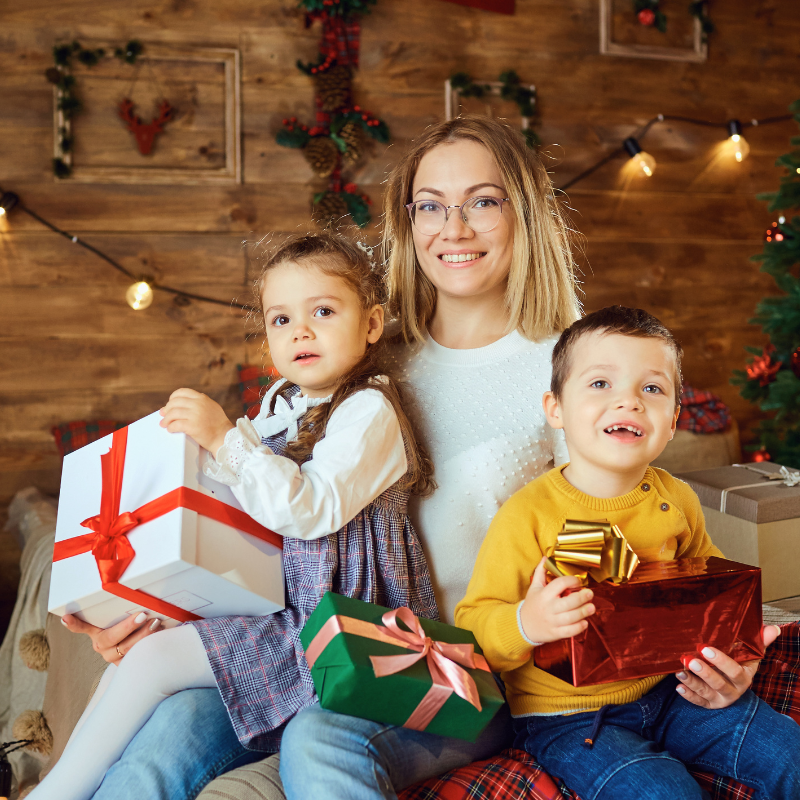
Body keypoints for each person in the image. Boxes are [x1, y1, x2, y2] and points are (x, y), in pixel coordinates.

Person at [60, 116, 771, 800]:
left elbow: (646, 537)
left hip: (463, 671)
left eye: (482, 202)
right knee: (162, 736)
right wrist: (158, 604)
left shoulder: (570, 371)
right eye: (430, 205)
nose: (452, 228)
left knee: (323, 736)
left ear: (524, 213)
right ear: (407, 222)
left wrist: (715, 656)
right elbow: (281, 519)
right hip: (317, 646)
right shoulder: (359, 355)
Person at [38, 231, 438, 800]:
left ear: (372, 325)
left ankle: (55, 794)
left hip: (346, 629)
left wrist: (225, 438)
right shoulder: (282, 405)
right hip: (283, 611)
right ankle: (63, 785)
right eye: (280, 319)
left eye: (322, 311)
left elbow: (308, 508)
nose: (300, 330)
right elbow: (232, 508)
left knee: (153, 663)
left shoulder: (368, 410)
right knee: (144, 649)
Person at [455, 306, 797, 800]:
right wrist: (529, 622)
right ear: (555, 409)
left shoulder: (676, 498)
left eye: (652, 389)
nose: (629, 402)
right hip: (569, 717)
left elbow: (713, 589)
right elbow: (475, 626)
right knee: (664, 794)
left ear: (675, 419)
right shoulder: (528, 515)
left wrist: (737, 660)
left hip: (672, 690)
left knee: (788, 753)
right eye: (600, 384)